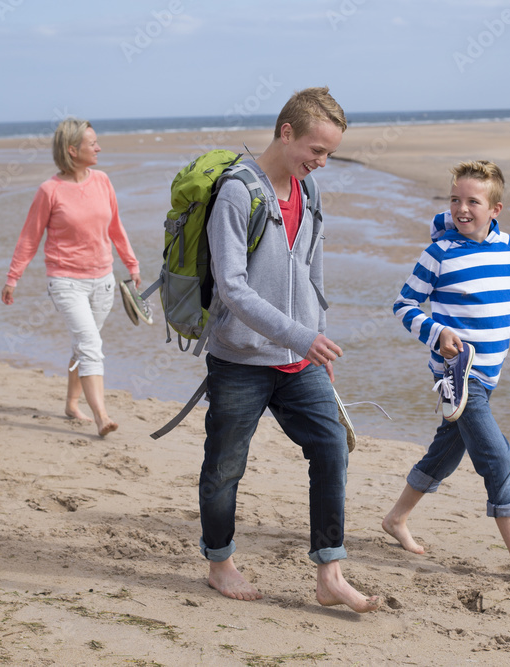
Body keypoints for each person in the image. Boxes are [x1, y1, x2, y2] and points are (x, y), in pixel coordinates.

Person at [198, 87, 379, 613]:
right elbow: (232, 287)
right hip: (240, 359)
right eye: (316, 150)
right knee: (226, 466)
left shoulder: (309, 191)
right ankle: (221, 564)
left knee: (331, 446)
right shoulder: (238, 192)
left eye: (329, 154)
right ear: (286, 133)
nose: (321, 163)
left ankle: (330, 573)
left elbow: (311, 271)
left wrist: (314, 331)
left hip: (300, 361)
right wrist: (301, 334)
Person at [382, 159, 510, 590]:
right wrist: (436, 331)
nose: (461, 209)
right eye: (454, 199)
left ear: (496, 209)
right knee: (497, 458)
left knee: (446, 452)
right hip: (456, 376)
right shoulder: (439, 254)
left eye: (473, 201)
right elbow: (403, 306)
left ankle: (396, 518)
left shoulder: (509, 249)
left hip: (488, 377)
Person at [2, 118, 140, 437]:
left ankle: (71, 403)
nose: (99, 148)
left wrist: (131, 265)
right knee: (91, 344)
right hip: (66, 281)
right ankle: (102, 415)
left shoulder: (103, 181)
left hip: (103, 280)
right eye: (93, 143)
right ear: (72, 150)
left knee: (84, 344)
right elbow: (29, 238)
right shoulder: (49, 191)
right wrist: (13, 277)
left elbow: (116, 228)